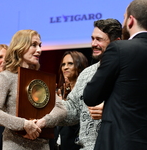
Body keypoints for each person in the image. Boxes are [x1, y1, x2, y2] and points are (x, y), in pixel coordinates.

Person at [83, 0, 147, 150]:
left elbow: (91, 96)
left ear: (131, 20)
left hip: (119, 143)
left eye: (124, 17)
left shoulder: (119, 49)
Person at [36, 18, 122, 150]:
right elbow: (72, 110)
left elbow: (141, 110)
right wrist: (45, 105)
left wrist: (110, 110)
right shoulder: (86, 74)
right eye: (92, 38)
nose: (93, 44)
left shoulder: (127, 72)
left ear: (116, 42)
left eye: (99, 39)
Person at [0, 29, 66, 150]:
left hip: (42, 144)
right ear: (20, 47)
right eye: (33, 45)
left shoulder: (43, 79)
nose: (39, 50)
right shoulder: (6, 77)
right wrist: (25, 124)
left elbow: (62, 109)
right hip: (15, 144)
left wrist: (42, 122)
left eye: (40, 45)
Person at [55, 51, 88, 150]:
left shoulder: (87, 92)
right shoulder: (61, 92)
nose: (65, 67)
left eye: (70, 63)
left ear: (80, 65)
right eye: (63, 64)